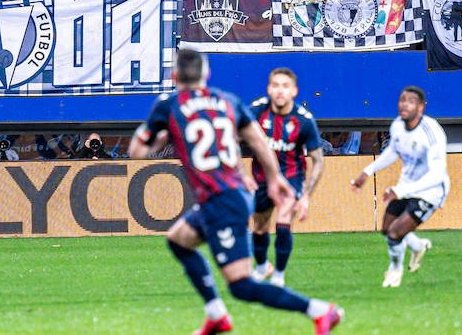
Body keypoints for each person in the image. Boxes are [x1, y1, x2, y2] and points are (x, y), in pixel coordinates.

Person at [128, 48, 343, 335]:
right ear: (207, 75)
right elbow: (258, 141)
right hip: (231, 195)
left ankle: (320, 311)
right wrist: (275, 177)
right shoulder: (227, 100)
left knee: (241, 285)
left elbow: (137, 151)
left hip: (222, 202)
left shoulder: (168, 105)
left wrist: (166, 133)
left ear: (173, 75)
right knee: (178, 239)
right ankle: (215, 314)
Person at [350, 86, 450, 288]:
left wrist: (400, 191)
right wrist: (367, 172)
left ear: (421, 107)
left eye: (411, 101)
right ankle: (417, 245)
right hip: (406, 186)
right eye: (402, 100)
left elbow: (437, 173)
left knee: (396, 233)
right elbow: (392, 152)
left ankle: (395, 270)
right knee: (387, 229)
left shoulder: (432, 132)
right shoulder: (397, 125)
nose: (405, 104)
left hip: (430, 191)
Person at [248, 68, 324, 288]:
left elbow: (318, 160)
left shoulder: (304, 120)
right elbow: (232, 140)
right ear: (269, 89)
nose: (280, 91)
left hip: (291, 177)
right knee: (260, 226)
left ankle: (279, 275)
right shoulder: (255, 112)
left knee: (283, 222)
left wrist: (307, 196)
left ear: (294, 91)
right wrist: (242, 177)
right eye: (276, 86)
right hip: (261, 178)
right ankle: (262, 266)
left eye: (285, 86)